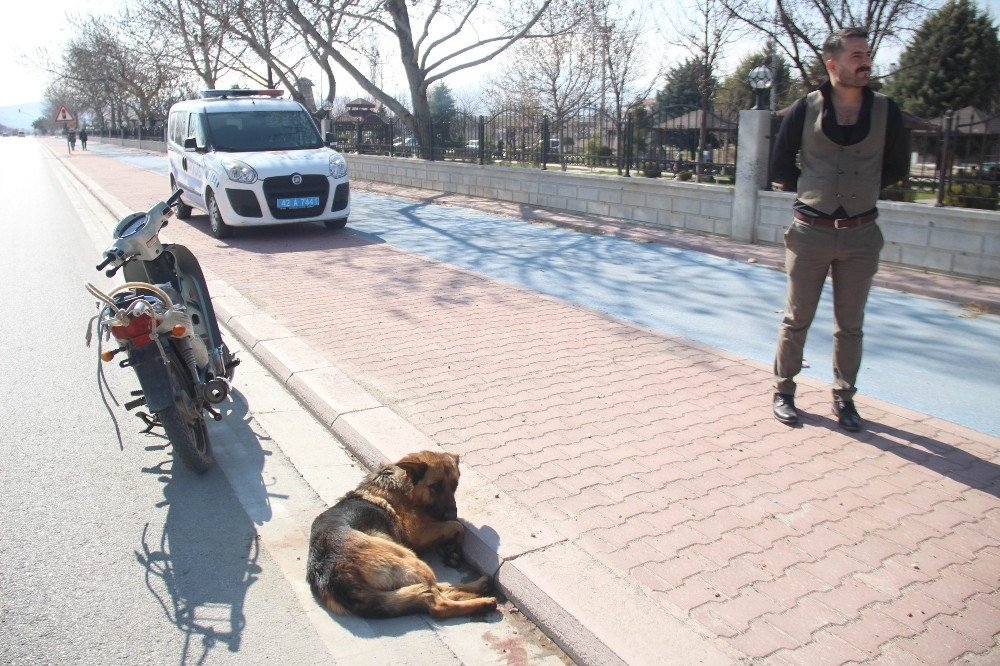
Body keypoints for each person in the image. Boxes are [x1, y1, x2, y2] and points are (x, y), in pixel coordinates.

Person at [769, 27, 909, 432]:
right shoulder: (806, 107)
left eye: (867, 54)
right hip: (809, 231)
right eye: (856, 56)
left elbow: (897, 167)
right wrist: (817, 190)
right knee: (797, 318)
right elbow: (779, 165)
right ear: (833, 65)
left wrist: (857, 192)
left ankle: (844, 399)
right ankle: (784, 391)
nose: (865, 61)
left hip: (862, 234)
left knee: (851, 323)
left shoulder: (887, 110)